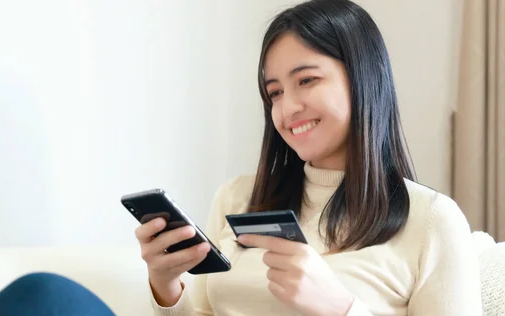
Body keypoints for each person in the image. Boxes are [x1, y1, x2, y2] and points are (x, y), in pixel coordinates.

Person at [134, 0, 483, 315]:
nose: (287, 108)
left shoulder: (431, 221)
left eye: (307, 80)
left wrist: (341, 308)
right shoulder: (236, 197)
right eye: (275, 92)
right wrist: (166, 288)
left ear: (363, 78)